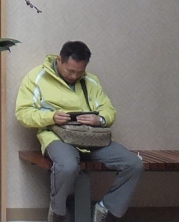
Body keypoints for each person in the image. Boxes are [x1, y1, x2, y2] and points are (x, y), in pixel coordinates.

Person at [16, 41, 143, 222]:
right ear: (59, 60)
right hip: (57, 136)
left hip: (91, 137)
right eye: (70, 71)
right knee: (67, 166)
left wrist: (99, 119)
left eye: (80, 72)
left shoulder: (91, 81)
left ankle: (107, 210)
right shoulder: (37, 77)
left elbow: (108, 110)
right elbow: (23, 113)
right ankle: (58, 213)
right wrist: (51, 117)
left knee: (133, 164)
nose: (74, 76)